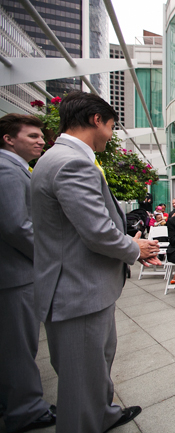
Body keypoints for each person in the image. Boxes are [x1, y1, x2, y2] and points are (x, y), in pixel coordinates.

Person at [31, 91, 160, 432]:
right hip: (78, 291)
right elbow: (98, 231)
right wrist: (136, 250)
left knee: (95, 367)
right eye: (112, 126)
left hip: (83, 288)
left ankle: (102, 413)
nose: (111, 135)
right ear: (95, 120)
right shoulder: (72, 162)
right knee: (81, 383)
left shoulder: (57, 157)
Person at [0, 114, 57, 432]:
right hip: (15, 275)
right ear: (9, 139)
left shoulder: (16, 168)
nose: (41, 141)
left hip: (13, 272)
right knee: (18, 345)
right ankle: (26, 409)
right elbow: (16, 226)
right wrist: (49, 256)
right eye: (33, 135)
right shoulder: (7, 169)